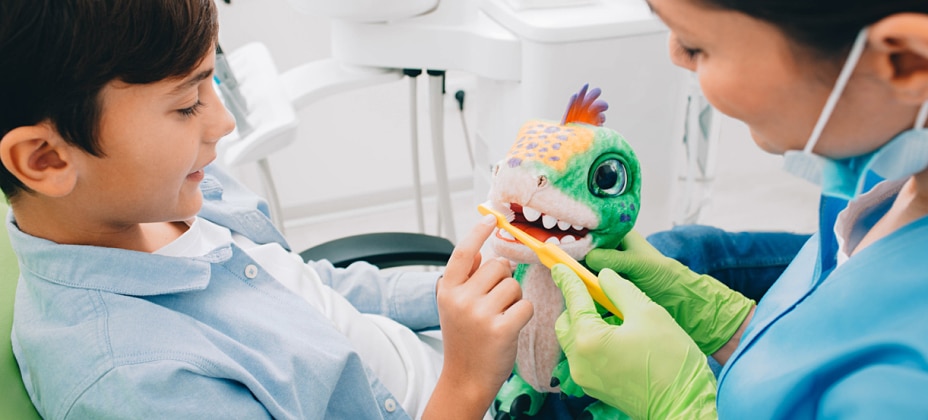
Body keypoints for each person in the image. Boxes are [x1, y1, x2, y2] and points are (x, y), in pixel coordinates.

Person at [0, 1, 533, 419]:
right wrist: (467, 381)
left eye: (212, 80)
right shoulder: (138, 384)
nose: (222, 123)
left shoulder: (180, 192)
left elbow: (310, 290)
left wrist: (470, 293)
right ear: (46, 159)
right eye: (186, 105)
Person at [550, 0, 928, 418]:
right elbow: (821, 339)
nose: (676, 56)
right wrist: (725, 323)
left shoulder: (909, 384)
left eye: (696, 46)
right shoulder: (878, 164)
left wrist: (677, 404)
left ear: (906, 60)